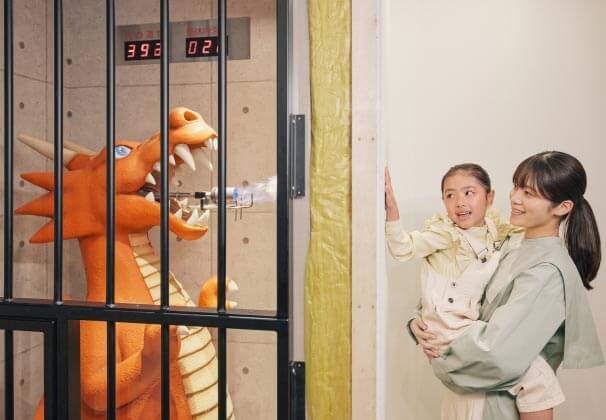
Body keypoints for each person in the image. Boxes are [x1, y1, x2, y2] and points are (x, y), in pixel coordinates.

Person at [408, 151, 604, 420]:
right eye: (516, 186)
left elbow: (497, 355)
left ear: (562, 207)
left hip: (492, 406)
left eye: (529, 193)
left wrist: (441, 354)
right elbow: (460, 288)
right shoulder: (509, 243)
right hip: (464, 399)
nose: (515, 198)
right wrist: (420, 321)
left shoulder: (546, 271)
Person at [385, 163, 565, 419]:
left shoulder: (499, 233)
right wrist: (392, 212)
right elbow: (404, 248)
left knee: (539, 378)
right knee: (538, 378)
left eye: (469, 193)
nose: (460, 202)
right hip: (452, 329)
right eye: (450, 195)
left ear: (489, 198)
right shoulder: (445, 234)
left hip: (468, 327)